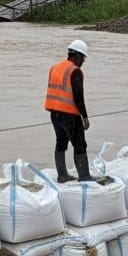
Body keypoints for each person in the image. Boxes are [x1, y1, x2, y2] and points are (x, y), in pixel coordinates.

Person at [45, 39, 92, 182]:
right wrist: (85, 117)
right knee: (80, 144)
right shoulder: (74, 71)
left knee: (61, 142)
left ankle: (62, 175)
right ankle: (84, 176)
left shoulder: (55, 67)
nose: (83, 61)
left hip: (54, 113)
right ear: (77, 56)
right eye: (83, 58)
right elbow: (78, 96)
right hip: (70, 114)